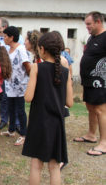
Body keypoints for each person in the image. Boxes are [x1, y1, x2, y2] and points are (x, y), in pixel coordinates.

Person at [22, 32, 73, 185]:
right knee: (54, 166)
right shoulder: (65, 72)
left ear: (42, 49)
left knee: (36, 165)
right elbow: (69, 102)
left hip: (38, 122)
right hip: (57, 123)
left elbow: (28, 97)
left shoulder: (37, 67)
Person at [74, 11, 106, 156]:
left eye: (89, 24)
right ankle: (91, 135)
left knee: (100, 110)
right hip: (88, 81)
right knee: (90, 108)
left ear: (98, 22)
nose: (87, 27)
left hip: (100, 81)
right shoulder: (93, 37)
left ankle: (104, 143)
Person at [0, 26, 31, 146]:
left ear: (12, 37)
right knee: (10, 108)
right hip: (10, 85)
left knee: (20, 110)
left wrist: (28, 82)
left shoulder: (21, 49)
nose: (4, 38)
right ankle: (11, 130)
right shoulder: (9, 50)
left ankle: (24, 134)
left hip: (20, 86)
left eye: (6, 36)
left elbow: (27, 66)